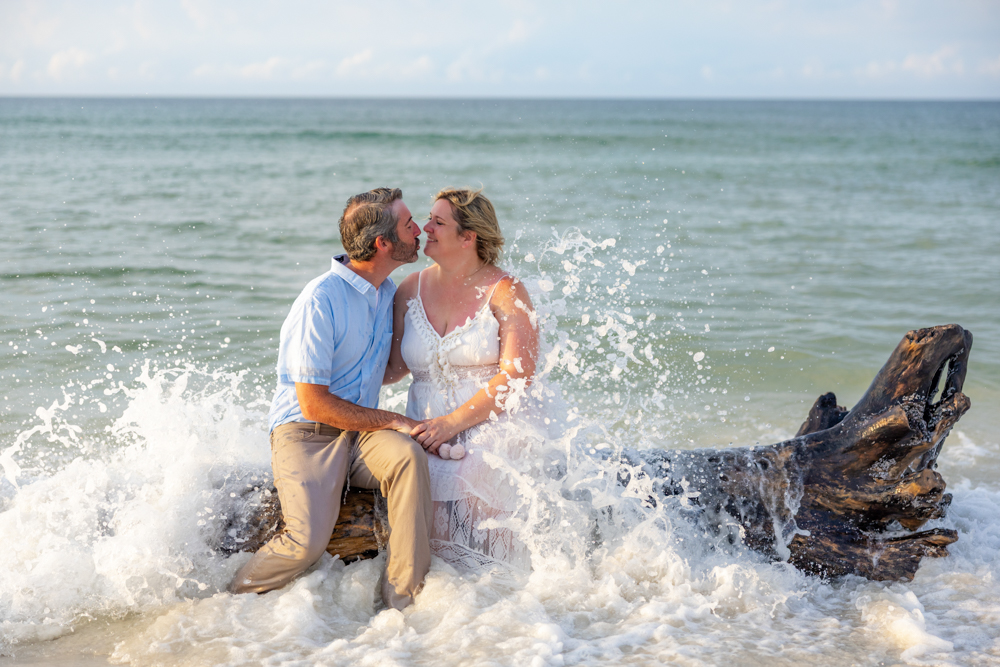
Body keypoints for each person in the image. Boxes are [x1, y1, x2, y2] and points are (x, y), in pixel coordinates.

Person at [229, 187, 433, 610]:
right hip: (308, 432)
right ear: (383, 243)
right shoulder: (319, 300)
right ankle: (229, 603)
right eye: (409, 224)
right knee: (305, 543)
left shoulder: (385, 293)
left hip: (360, 434)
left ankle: (403, 603)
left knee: (407, 457)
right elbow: (314, 404)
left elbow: (392, 369)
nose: (420, 230)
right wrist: (392, 418)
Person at [384, 188, 539, 570]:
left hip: (491, 428)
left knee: (473, 491)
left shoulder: (507, 291)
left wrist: (452, 424)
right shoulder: (409, 290)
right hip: (427, 429)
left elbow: (518, 377)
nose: (425, 228)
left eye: (438, 222)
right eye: (428, 219)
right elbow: (389, 370)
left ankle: (490, 608)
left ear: (468, 237)